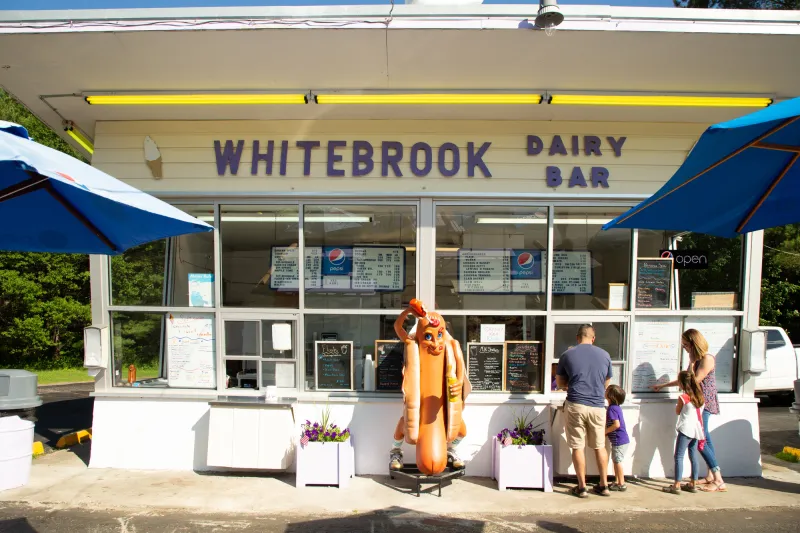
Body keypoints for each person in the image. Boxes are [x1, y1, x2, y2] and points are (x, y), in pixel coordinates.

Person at [653, 329, 727, 492]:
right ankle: (710, 476)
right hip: (696, 405)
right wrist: (663, 385)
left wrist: (692, 363)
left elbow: (694, 381)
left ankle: (719, 479)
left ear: (694, 344)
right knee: (705, 440)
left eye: (686, 345)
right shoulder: (695, 359)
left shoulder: (706, 359)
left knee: (701, 443)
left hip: (703, 405)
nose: (685, 348)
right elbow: (685, 381)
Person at [556, 324, 613, 498]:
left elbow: (559, 383)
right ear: (593, 338)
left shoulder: (567, 355)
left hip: (576, 404)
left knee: (577, 447)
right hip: (597, 405)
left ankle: (581, 487)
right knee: (599, 446)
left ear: (577, 337)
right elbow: (607, 382)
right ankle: (603, 485)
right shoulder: (605, 355)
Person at [663, 371, 706, 495]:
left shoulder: (683, 397)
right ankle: (693, 483)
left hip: (685, 429)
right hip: (696, 429)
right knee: (693, 455)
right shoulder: (700, 397)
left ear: (682, 383)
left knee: (679, 456)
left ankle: (676, 484)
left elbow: (677, 411)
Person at [604, 385, 630, 492]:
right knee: (615, 461)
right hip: (621, 440)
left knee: (617, 461)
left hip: (619, 440)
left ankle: (621, 483)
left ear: (610, 396)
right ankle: (617, 480)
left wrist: (604, 432)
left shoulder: (611, 409)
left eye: (607, 391)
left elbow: (616, 425)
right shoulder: (616, 408)